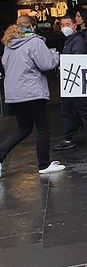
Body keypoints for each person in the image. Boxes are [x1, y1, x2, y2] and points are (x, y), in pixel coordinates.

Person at [0, 16, 65, 177]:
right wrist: (55, 55)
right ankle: (44, 164)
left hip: (14, 93)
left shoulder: (8, 44)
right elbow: (47, 64)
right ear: (33, 27)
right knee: (43, 128)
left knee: (24, 128)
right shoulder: (35, 42)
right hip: (32, 91)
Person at [53, 15, 87, 151]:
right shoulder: (69, 40)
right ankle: (68, 137)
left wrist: (65, 65)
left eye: (67, 24)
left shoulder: (77, 41)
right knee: (70, 110)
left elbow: (77, 59)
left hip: (74, 82)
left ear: (74, 25)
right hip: (70, 82)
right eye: (62, 25)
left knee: (84, 110)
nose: (64, 27)